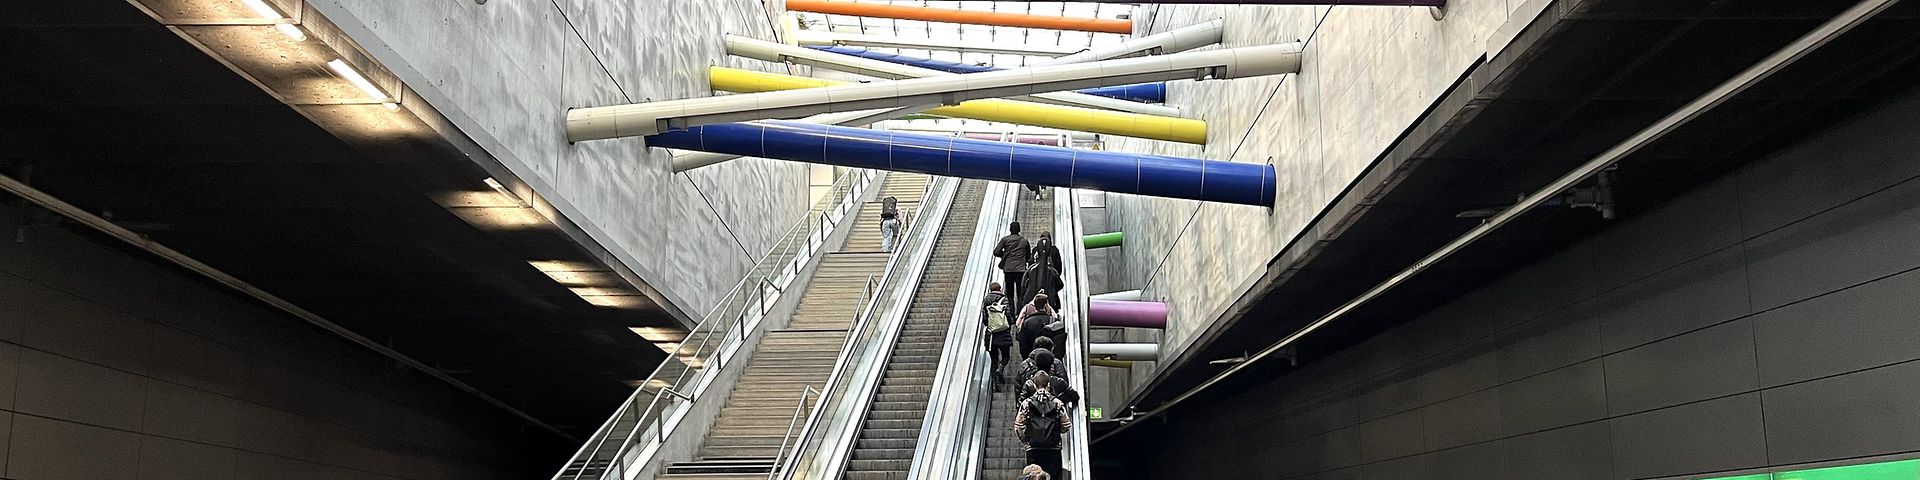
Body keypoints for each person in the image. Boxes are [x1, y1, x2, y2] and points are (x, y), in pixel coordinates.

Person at [1015, 371, 1070, 480]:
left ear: (1034, 386)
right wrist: (1056, 431)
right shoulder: (1057, 403)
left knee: (1035, 477)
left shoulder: (1027, 403)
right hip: (1053, 448)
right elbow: (1066, 425)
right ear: (1049, 385)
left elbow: (1018, 426)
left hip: (1033, 448)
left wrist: (1027, 440)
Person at [983, 283, 1015, 388]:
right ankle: (1000, 368)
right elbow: (1008, 315)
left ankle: (994, 384)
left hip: (991, 334)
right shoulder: (1004, 299)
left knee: (994, 360)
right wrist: (1009, 324)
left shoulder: (986, 300)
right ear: (1000, 289)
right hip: (1003, 333)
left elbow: (985, 319)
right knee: (1005, 356)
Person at [1022, 233, 1063, 310]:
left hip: (1031, 301)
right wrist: (1053, 289)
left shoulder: (1031, 269)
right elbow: (1060, 284)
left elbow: (1023, 285)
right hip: (1050, 302)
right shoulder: (1052, 271)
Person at [992, 222, 1030, 299]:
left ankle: (1010, 306)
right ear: (1019, 230)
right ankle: (1020, 306)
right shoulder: (1024, 241)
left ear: (1010, 229)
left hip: (1008, 269)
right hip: (1020, 269)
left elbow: (996, 252)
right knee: (1020, 292)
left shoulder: (1005, 240)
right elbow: (1028, 256)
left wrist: (1004, 255)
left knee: (1009, 293)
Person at [1016, 292, 1056, 359]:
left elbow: (1023, 343)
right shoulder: (1052, 320)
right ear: (1045, 306)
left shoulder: (1026, 322)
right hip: (1048, 356)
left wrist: (1025, 357)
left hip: (1032, 355)